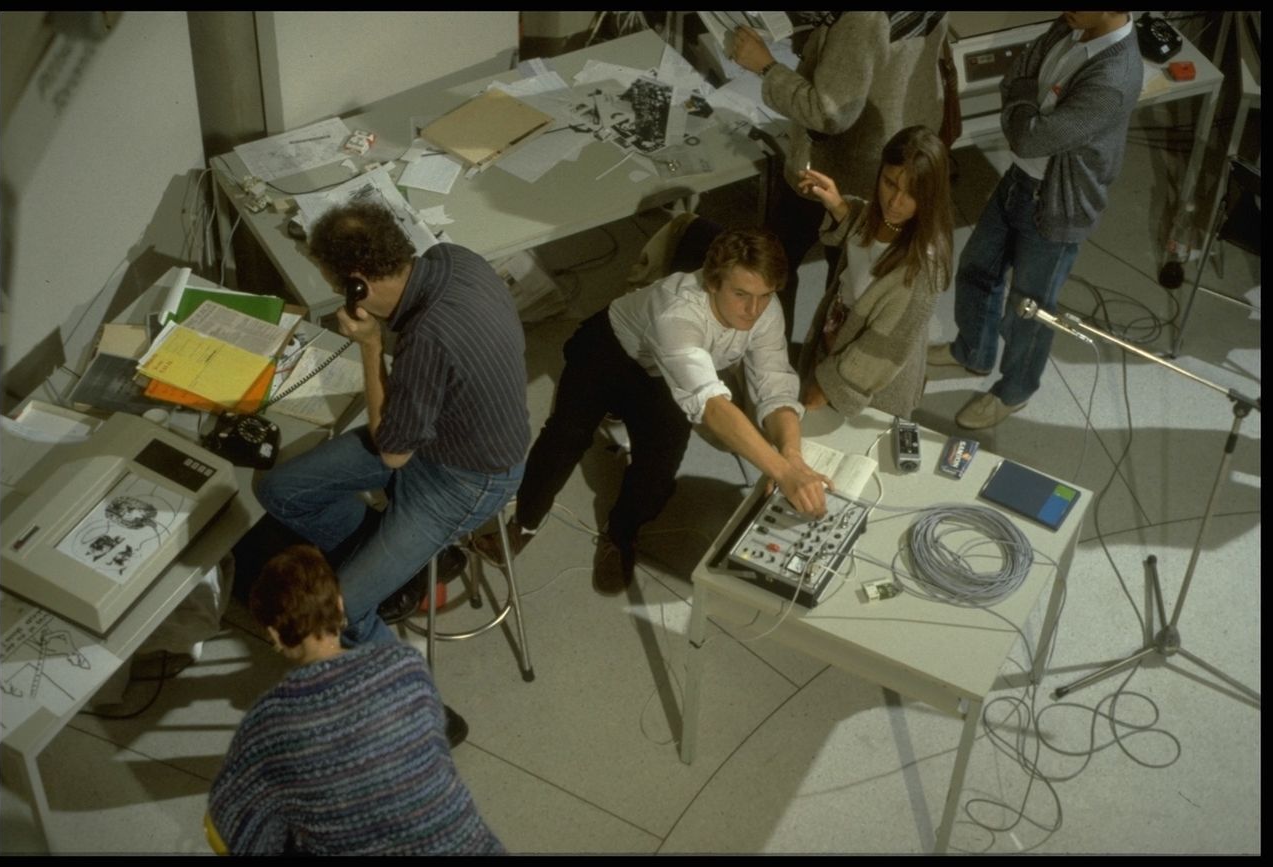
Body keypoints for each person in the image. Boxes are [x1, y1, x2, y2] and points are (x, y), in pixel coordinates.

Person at [477, 228, 829, 595]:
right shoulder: (677, 311)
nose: (753, 310)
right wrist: (783, 473)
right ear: (712, 282)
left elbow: (774, 384)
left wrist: (791, 454)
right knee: (564, 438)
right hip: (609, 349)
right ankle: (524, 524)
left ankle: (620, 536)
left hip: (664, 375)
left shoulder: (764, 310)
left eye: (764, 296)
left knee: (658, 473)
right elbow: (710, 405)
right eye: (740, 294)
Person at [254, 201, 529, 645]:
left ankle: (403, 689)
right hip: (439, 435)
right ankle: (393, 565)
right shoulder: (454, 259)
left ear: (356, 285)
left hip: (465, 478)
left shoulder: (428, 340)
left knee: (336, 618)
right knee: (278, 490)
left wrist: (369, 345)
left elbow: (393, 454)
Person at [206, 545, 504, 855]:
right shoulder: (405, 666)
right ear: (338, 605)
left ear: (275, 634)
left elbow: (231, 818)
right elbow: (434, 753)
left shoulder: (268, 724)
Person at [928, 11, 1142, 430]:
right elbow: (1016, 78)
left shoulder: (1115, 76)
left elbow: (1029, 136)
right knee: (976, 269)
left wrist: (1023, 107)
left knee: (1030, 308)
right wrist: (1027, 107)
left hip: (1056, 202)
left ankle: (1015, 391)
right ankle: (973, 353)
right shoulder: (1072, 24)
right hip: (1018, 179)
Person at [731, 12, 948, 350]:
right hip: (898, 147)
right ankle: (827, 351)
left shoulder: (862, 18)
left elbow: (828, 112)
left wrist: (766, 67)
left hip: (839, 168)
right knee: (849, 273)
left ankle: (771, 353)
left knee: (778, 260)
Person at [797, 125, 954, 419]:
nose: (895, 202)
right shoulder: (883, 217)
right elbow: (869, 244)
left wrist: (826, 385)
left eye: (911, 194)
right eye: (889, 183)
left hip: (865, 377)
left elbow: (880, 349)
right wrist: (840, 207)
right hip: (838, 339)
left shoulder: (923, 272)